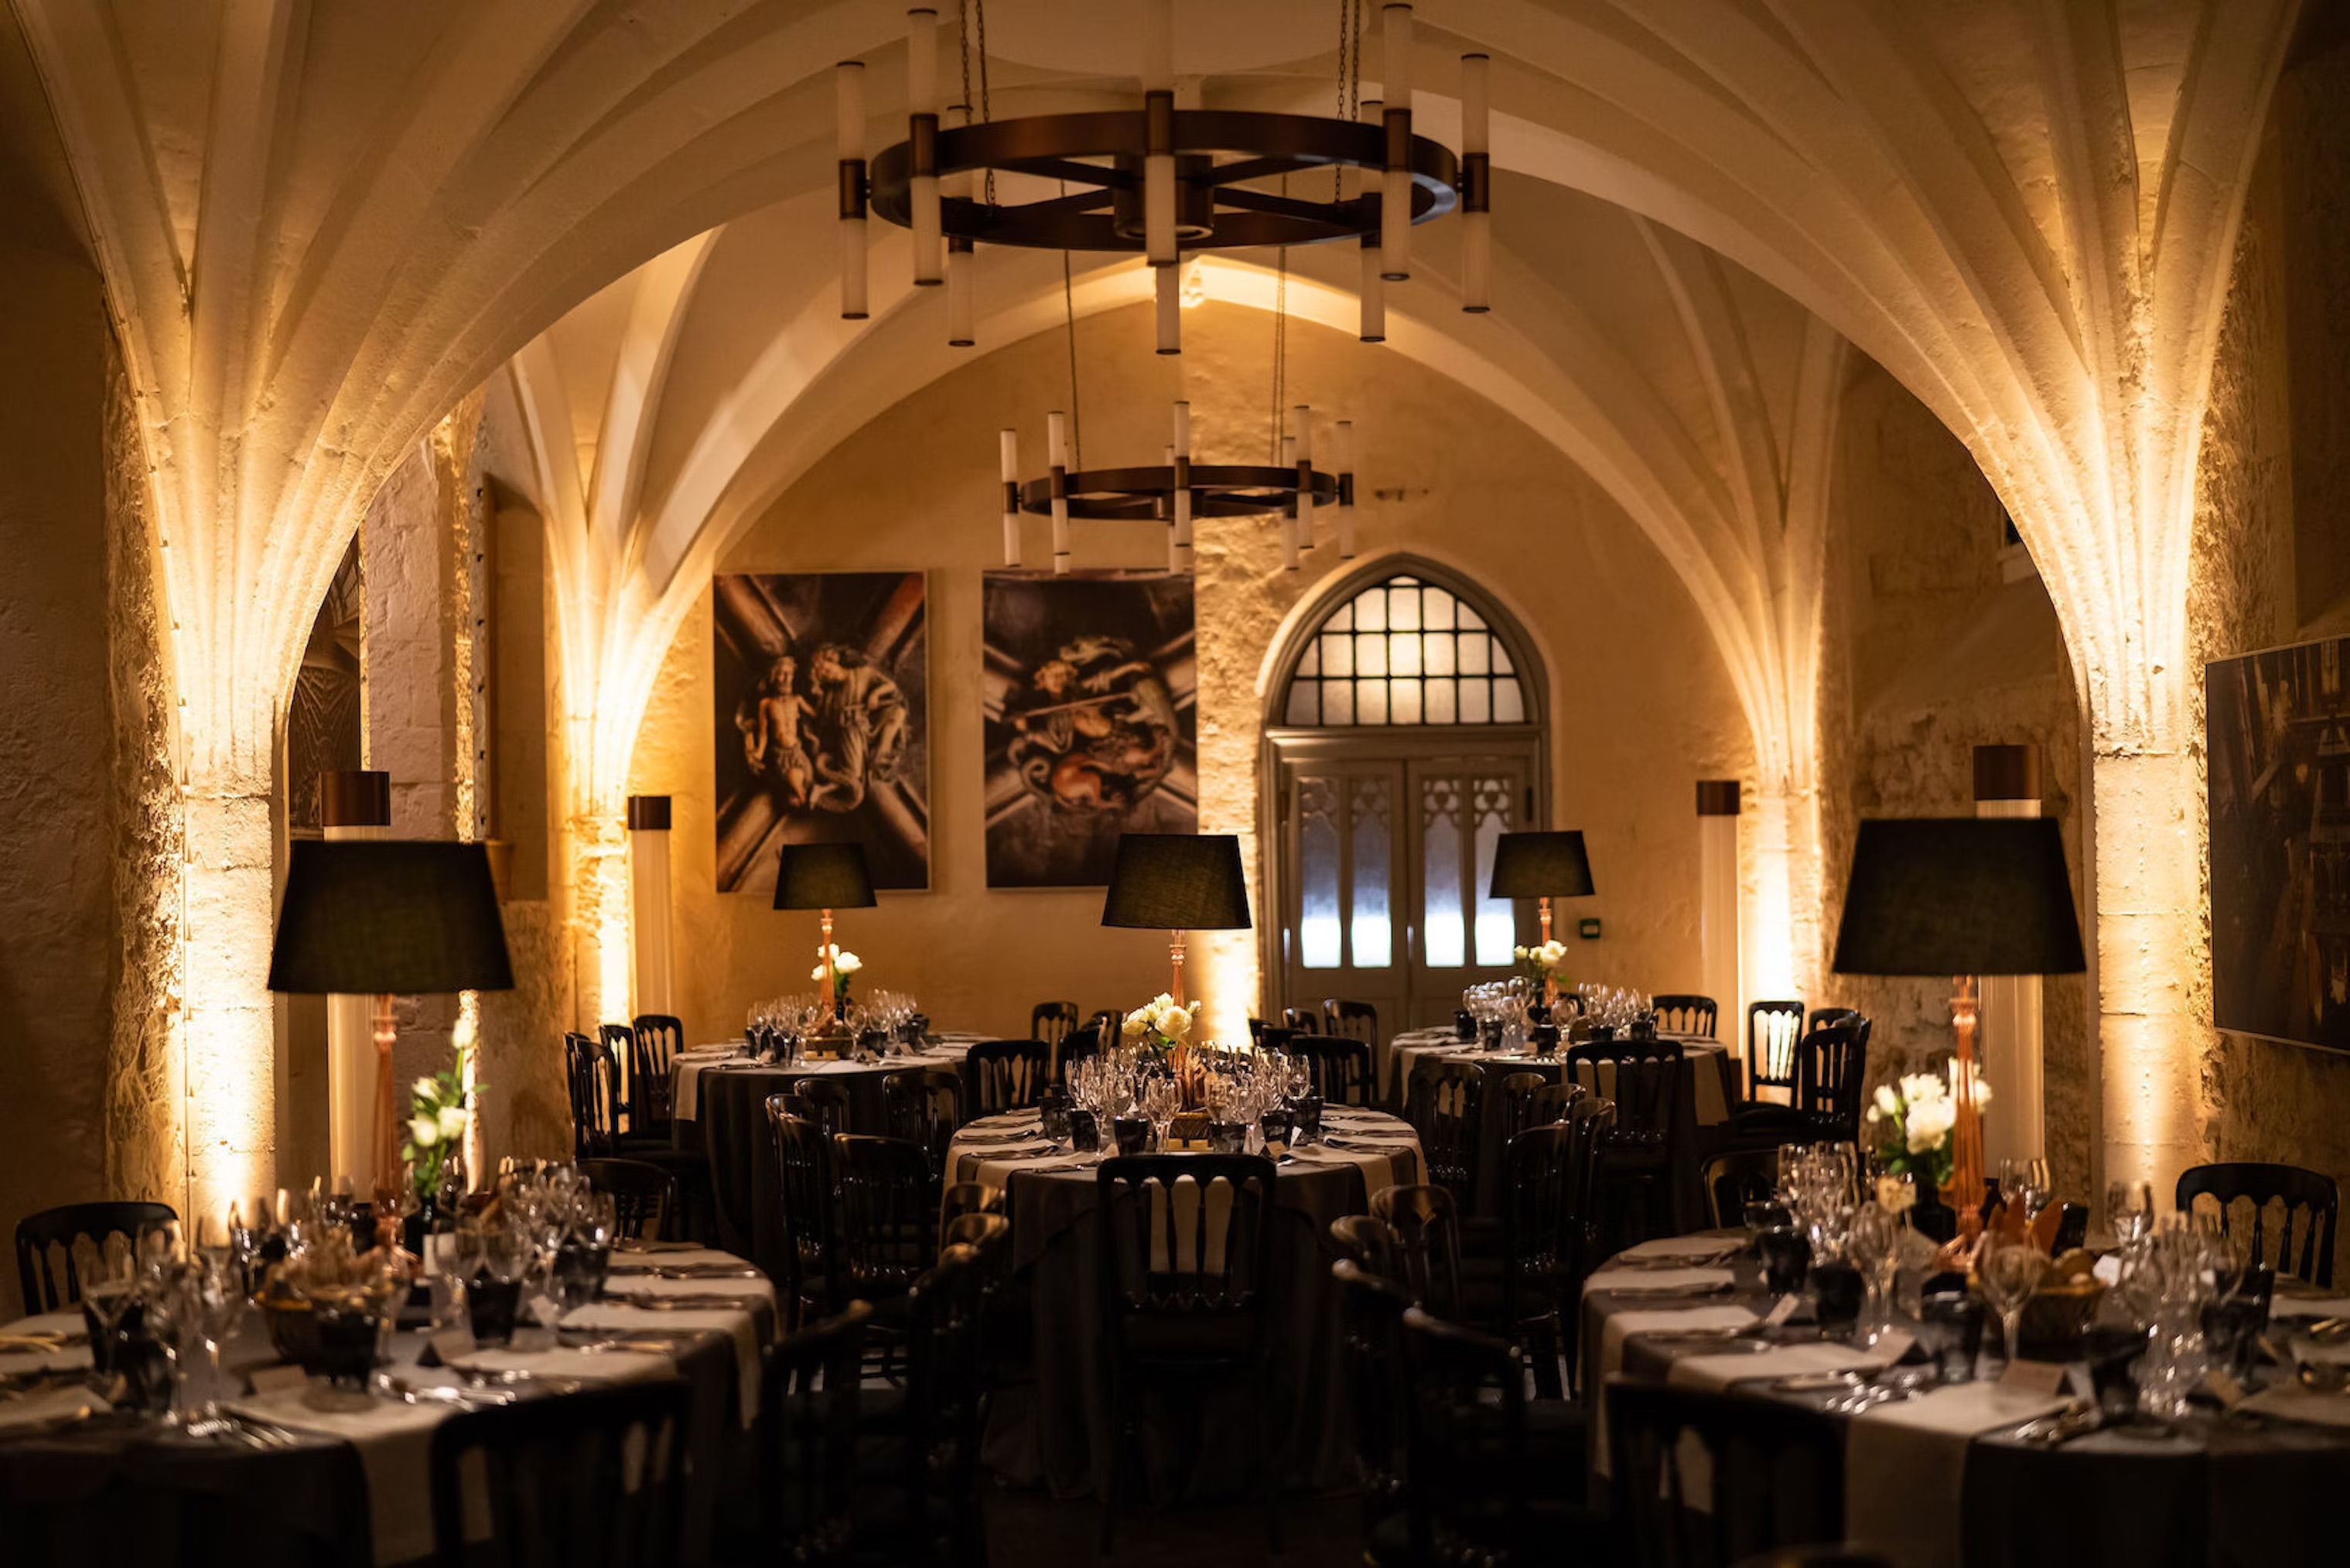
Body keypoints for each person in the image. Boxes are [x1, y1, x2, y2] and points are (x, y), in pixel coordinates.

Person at [806, 643, 910, 812]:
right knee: (853, 776)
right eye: (823, 678)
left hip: (866, 727)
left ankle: (880, 753)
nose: (827, 676)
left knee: (896, 713)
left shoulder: (863, 673)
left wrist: (875, 694)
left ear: (833, 660)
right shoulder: (832, 694)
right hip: (848, 732)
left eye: (825, 670)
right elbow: (822, 720)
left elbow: (890, 686)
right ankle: (822, 788)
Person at [736, 653, 814, 809]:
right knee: (792, 776)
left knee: (801, 776)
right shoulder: (766, 704)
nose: (786, 678)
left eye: (790, 674)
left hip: (797, 752)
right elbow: (763, 733)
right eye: (782, 674)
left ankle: (800, 796)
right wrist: (759, 752)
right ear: (773, 676)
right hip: (781, 755)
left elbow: (818, 716)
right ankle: (800, 796)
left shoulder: (797, 700)